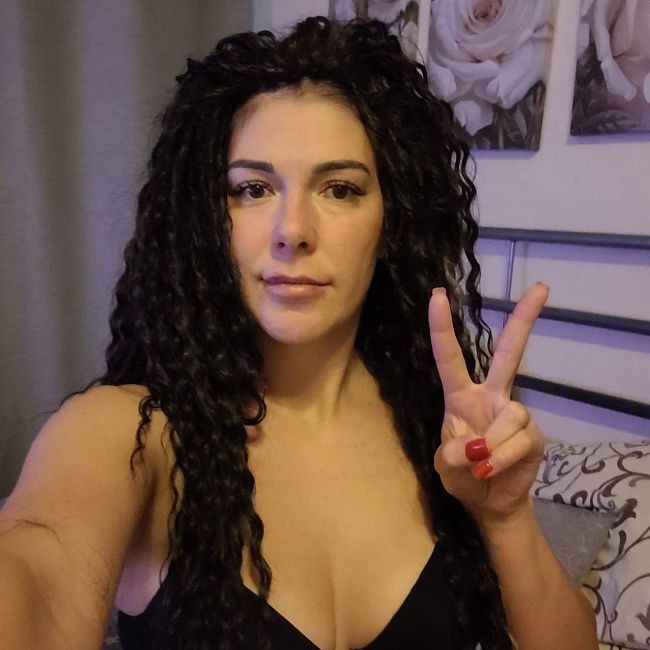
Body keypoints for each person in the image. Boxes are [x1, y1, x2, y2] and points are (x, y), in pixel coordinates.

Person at [0, 16, 598, 650]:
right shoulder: (128, 433)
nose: (293, 230)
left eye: (339, 189)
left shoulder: (439, 426)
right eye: (253, 189)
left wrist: (504, 517)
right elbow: (37, 562)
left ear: (391, 221)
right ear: (207, 220)